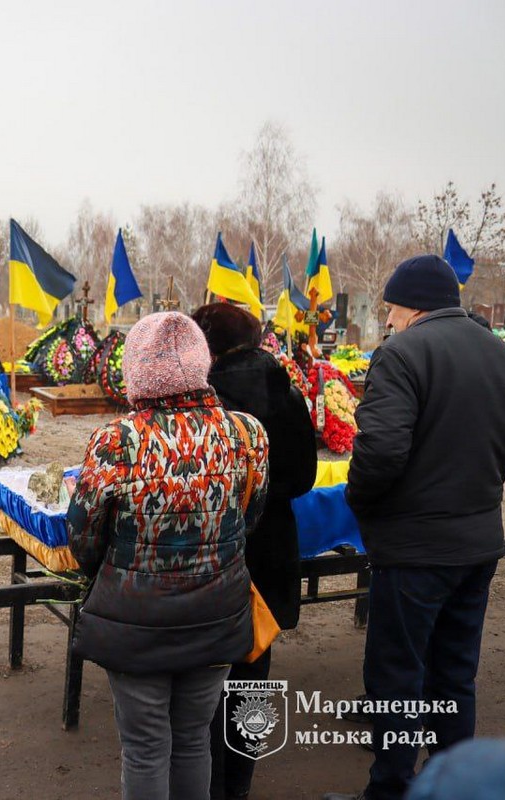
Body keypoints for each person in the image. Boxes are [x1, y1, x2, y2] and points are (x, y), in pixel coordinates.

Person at [323, 255, 505, 800]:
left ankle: (391, 790)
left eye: (390, 309)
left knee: (398, 679)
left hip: (415, 551)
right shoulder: (504, 357)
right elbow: (498, 447)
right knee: (455, 674)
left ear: (413, 306)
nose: (387, 320)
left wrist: (359, 502)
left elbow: (381, 450)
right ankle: (453, 786)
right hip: (479, 542)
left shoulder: (402, 353)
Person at [67, 311, 269, 800]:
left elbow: (84, 535)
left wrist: (117, 571)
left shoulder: (116, 440)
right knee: (195, 739)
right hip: (218, 612)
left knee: (144, 747)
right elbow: (249, 519)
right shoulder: (247, 434)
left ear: (136, 369)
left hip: (136, 618)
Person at [192, 303, 318, 800]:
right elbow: (304, 478)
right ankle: (239, 785)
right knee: (253, 674)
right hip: (269, 551)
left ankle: (206, 784)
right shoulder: (287, 394)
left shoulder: (201, 402)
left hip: (214, 553)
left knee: (202, 681)